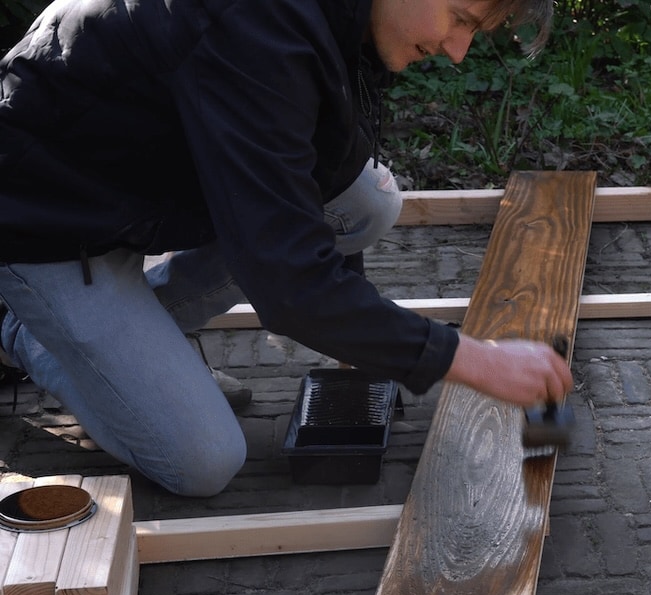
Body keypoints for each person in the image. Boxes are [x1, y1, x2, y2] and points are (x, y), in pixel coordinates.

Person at [0, 0, 571, 497]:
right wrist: (476, 360)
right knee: (204, 460)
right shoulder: (253, 28)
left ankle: (128, 341)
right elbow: (290, 283)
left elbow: (324, 172)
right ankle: (23, 332)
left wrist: (360, 346)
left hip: (135, 189)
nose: (457, 51)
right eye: (460, 19)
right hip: (45, 215)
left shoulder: (343, 17)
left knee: (365, 202)